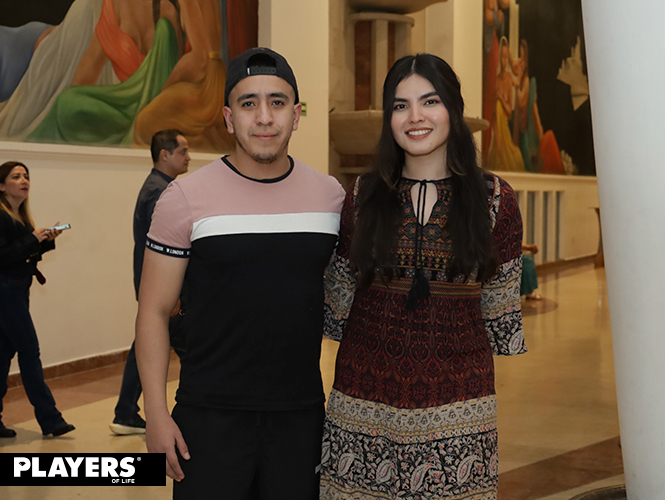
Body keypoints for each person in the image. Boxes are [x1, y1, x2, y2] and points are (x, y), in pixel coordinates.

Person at [135, 47, 345, 499]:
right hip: (209, 415)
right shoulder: (184, 198)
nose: (264, 117)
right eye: (249, 103)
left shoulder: (330, 198)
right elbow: (153, 310)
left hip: (299, 416)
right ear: (229, 119)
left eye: (277, 102)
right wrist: (155, 412)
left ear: (296, 115)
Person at [320, 54, 526, 499]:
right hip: (364, 403)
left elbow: (500, 308)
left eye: (429, 101)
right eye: (400, 105)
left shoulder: (495, 200)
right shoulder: (361, 196)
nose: (415, 116)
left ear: (453, 108)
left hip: (459, 409)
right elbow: (338, 300)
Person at [110, 129, 190, 435]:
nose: (188, 157)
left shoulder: (160, 187)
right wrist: (174, 293)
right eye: (182, 151)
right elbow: (165, 250)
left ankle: (125, 411)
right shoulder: (160, 192)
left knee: (146, 343)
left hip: (157, 287)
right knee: (186, 348)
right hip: (165, 289)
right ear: (164, 155)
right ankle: (185, 412)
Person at [0, 161, 75, 438]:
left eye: (26, 176)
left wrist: (46, 240)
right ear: (1, 186)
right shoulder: (1, 216)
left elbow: (20, 254)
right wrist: (33, 239)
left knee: (3, 355)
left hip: (17, 289)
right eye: (16, 177)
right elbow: (4, 257)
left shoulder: (20, 216)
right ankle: (50, 419)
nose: (24, 180)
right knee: (30, 351)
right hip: (6, 291)